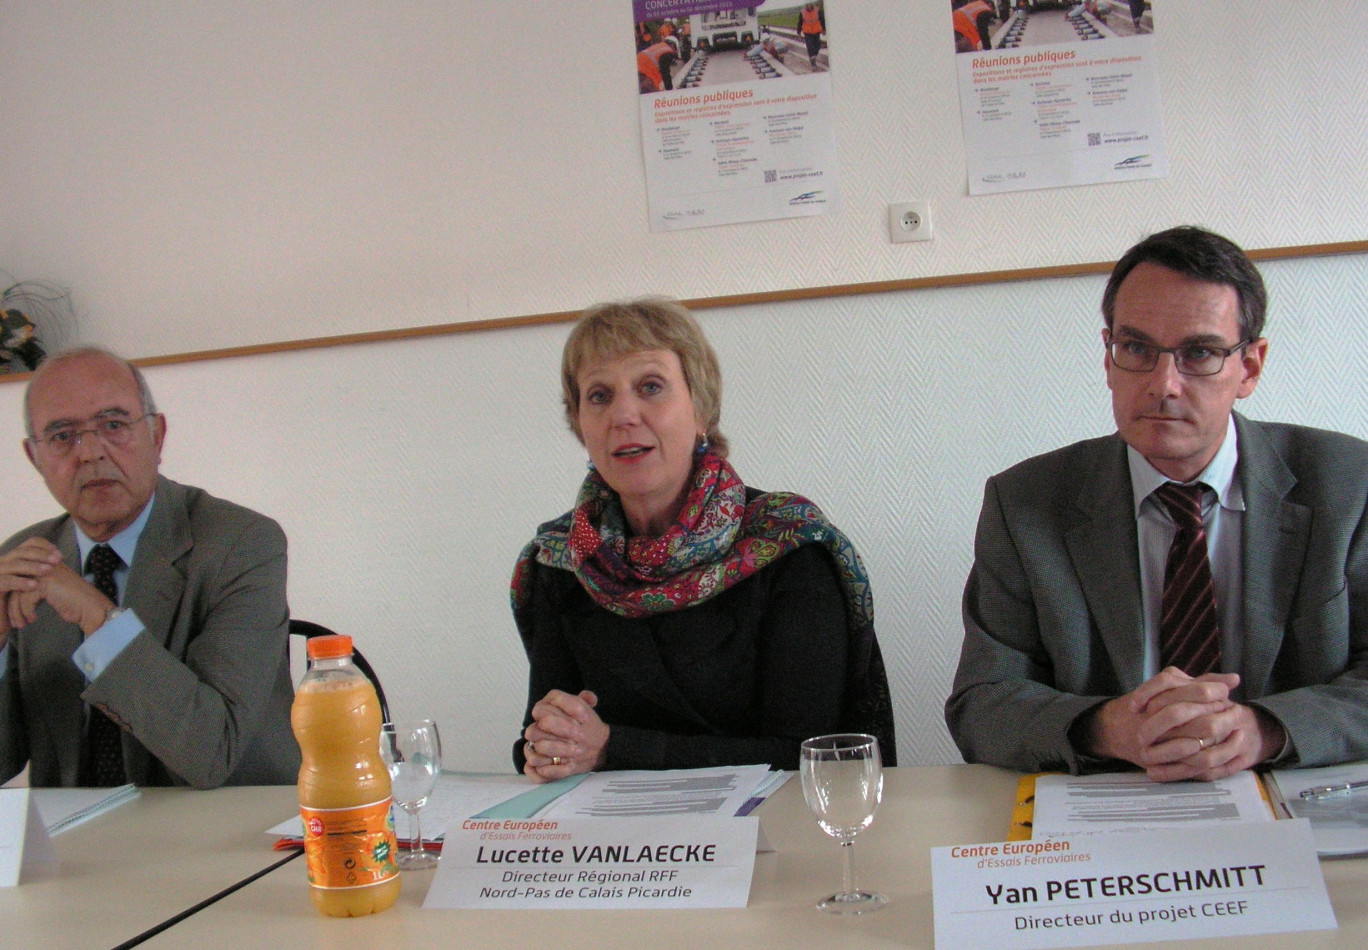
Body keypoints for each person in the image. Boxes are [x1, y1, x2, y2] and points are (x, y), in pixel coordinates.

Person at [946, 225, 1368, 781]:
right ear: (1107, 356)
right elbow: (982, 700)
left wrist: (1264, 730)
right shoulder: (1025, 502)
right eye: (1137, 349)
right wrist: (1108, 728)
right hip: (1108, 813)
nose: (1164, 384)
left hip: (1290, 803)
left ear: (1252, 366)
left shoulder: (1349, 485)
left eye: (1200, 352)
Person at [511, 299, 895, 780]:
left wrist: (614, 747)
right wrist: (550, 744)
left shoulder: (787, 546)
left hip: (773, 833)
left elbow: (805, 754)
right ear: (579, 425)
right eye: (599, 396)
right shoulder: (564, 560)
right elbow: (542, 734)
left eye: (651, 387)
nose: (624, 414)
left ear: (701, 410)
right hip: (616, 844)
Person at [0, 347, 298, 788]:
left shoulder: (241, 543)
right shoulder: (25, 560)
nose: (89, 452)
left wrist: (97, 616)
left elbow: (212, 751)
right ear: (34, 457)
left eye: (113, 426)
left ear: (157, 437)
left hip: (225, 832)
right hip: (76, 843)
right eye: (62, 435)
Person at [798, 3, 826, 68]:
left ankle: (813, 57)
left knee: (818, 46)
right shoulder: (802, 12)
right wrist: (799, 32)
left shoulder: (817, 10)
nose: (808, 6)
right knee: (810, 48)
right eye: (806, 5)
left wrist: (824, 29)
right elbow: (800, 22)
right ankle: (813, 64)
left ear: (811, 4)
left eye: (809, 4)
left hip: (816, 32)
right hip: (807, 33)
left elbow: (822, 20)